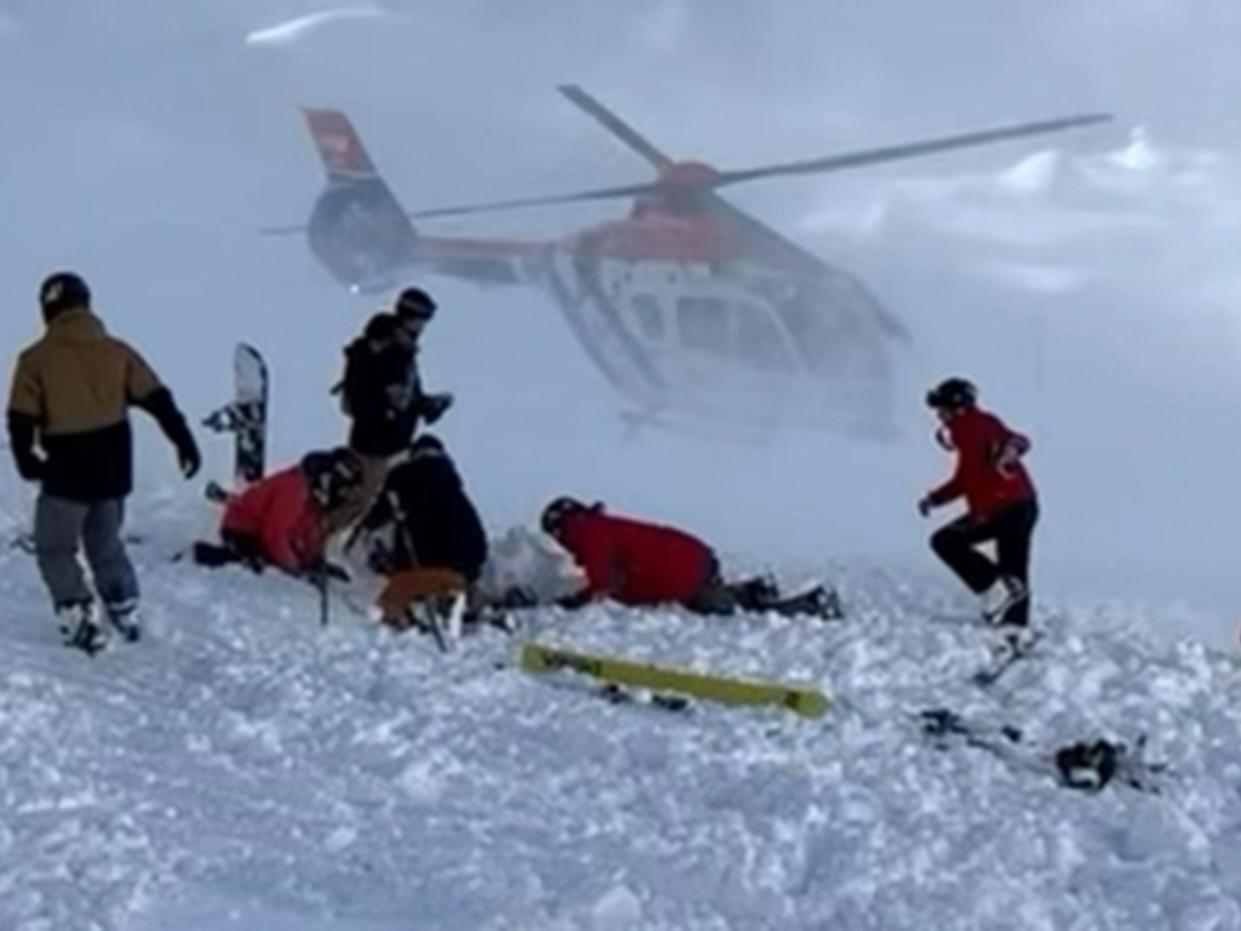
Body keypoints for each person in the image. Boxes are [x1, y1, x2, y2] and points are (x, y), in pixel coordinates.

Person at [6, 271, 201, 653]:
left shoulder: (35, 360)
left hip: (67, 468)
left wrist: (26, 459)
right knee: (104, 540)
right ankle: (122, 602)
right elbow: (157, 398)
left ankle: (77, 613)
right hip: (113, 466)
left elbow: (19, 419)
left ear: (47, 310)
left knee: (55, 546)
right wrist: (183, 441)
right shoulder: (117, 351)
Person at [540, 497, 840, 618]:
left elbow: (603, 579)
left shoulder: (584, 531)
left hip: (683, 574)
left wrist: (571, 604)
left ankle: (813, 605)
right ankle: (755, 590)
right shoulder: (597, 527)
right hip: (691, 559)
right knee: (718, 601)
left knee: (729, 613)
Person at [917, 377, 1037, 627]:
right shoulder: (974, 428)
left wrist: (1013, 450)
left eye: (942, 409)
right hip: (1018, 505)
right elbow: (965, 478)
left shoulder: (972, 428)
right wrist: (936, 498)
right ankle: (1014, 626)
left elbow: (1014, 441)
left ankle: (998, 594)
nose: (939, 416)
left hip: (1006, 507)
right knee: (1012, 569)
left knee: (946, 541)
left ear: (957, 407)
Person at [350, 434, 487, 629]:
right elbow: (479, 545)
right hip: (462, 574)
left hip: (418, 572)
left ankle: (410, 616)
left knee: (383, 608)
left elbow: (376, 517)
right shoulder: (457, 494)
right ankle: (455, 602)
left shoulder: (402, 478)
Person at [338, 288, 452, 521]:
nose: (422, 328)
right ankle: (325, 546)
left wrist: (427, 406)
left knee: (387, 506)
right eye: (420, 321)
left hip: (397, 444)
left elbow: (409, 396)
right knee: (360, 504)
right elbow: (362, 399)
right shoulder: (376, 351)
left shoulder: (404, 354)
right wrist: (387, 412)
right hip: (372, 447)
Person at [194, 447, 363, 580]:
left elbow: (308, 529)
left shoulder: (315, 492)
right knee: (256, 564)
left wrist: (313, 560)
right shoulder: (294, 489)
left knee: (274, 560)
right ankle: (201, 554)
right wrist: (293, 567)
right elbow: (275, 534)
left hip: (268, 533)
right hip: (242, 528)